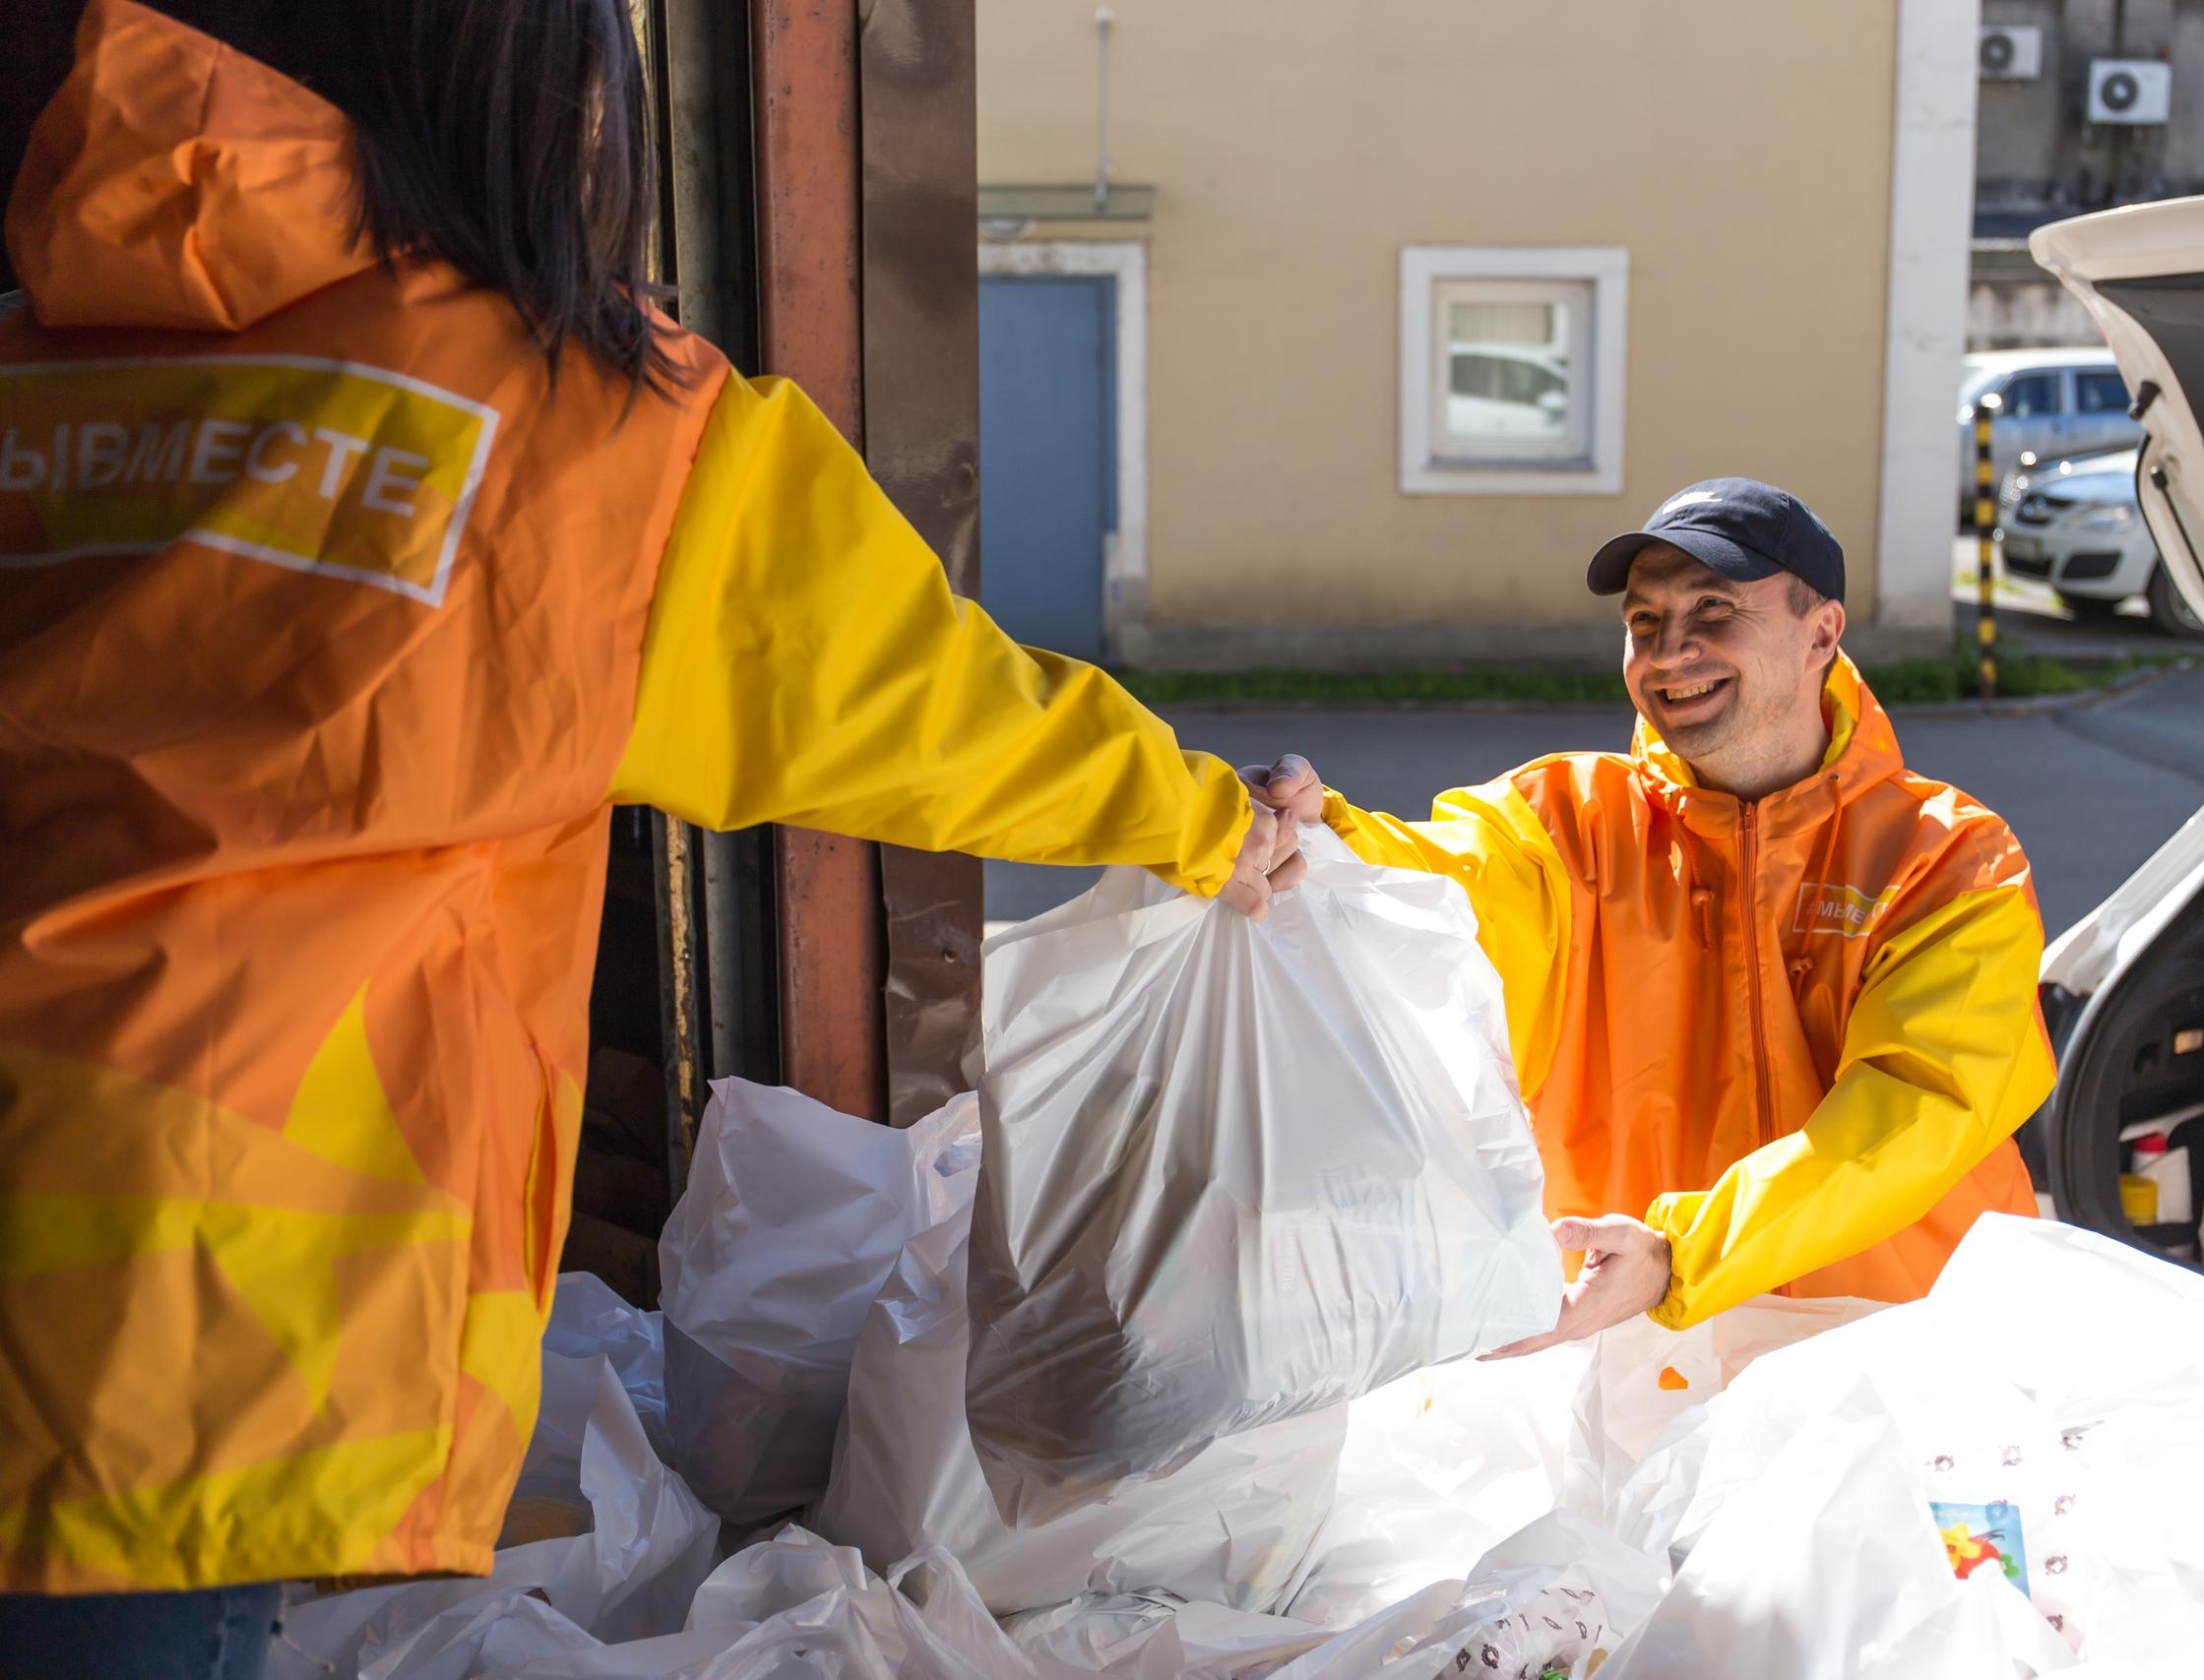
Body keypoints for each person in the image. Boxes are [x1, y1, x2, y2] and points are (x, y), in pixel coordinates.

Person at [0, 1, 1300, 1670]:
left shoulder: (46, 363)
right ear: (522, 109)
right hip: (174, 1306)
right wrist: (1196, 816)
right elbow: (920, 710)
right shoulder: (580, 427)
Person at [1249, 478, 2054, 1355]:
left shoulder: (1947, 858)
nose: (1671, 651)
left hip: (1912, 1363)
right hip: (1647, 1362)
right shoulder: (1569, 820)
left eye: (1714, 609)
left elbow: (1917, 1107)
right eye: (1643, 623)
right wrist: (1326, 837)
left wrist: (1685, 1255)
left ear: (1822, 631)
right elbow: (1442, 888)